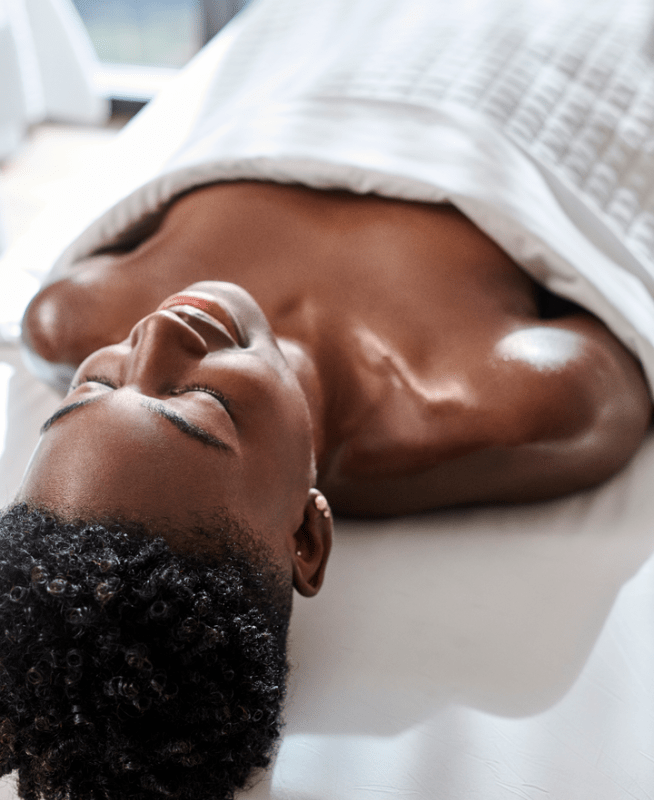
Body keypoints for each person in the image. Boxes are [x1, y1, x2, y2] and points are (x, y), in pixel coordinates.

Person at [2, 0, 654, 796]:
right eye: (201, 407)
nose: (158, 334)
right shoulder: (497, 403)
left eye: (94, 385)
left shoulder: (68, 315)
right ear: (307, 536)